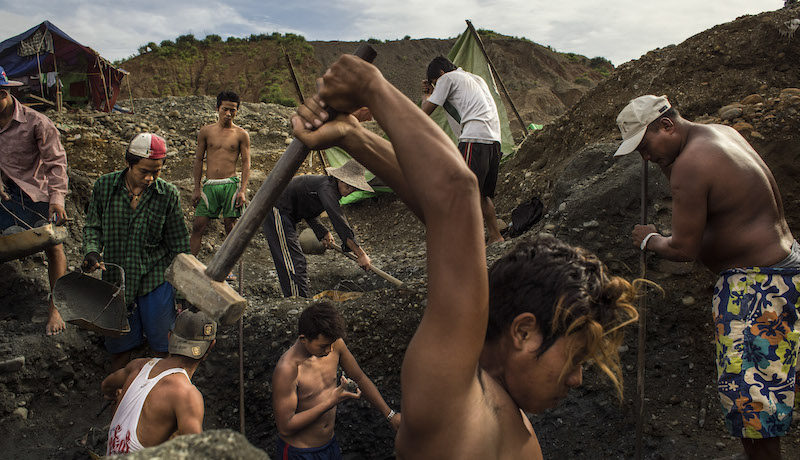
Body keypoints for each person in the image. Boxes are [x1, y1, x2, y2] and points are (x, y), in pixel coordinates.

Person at [290, 54, 638, 459]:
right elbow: (456, 195)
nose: (577, 379)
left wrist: (353, 135)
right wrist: (370, 85)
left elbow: (449, 216)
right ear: (523, 331)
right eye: (576, 357)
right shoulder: (455, 403)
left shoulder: (497, 411)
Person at [615, 95, 799, 460]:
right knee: (767, 390)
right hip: (786, 266)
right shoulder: (720, 134)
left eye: (645, 146)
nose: (646, 158)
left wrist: (650, 239)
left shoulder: (691, 165)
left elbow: (684, 248)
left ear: (666, 125)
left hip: (756, 287)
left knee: (753, 402)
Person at [83, 132, 190, 372]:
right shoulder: (105, 187)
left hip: (155, 279)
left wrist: (185, 290)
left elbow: (179, 245)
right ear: (129, 164)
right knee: (119, 349)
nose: (151, 178)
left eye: (157, 171)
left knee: (162, 348)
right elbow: (93, 226)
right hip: (116, 282)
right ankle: (119, 397)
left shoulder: (167, 195)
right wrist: (91, 252)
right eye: (144, 171)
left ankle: (155, 399)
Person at [272, 301, 400, 458]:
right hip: (299, 453)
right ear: (303, 338)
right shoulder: (288, 369)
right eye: (323, 346)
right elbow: (285, 427)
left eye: (331, 344)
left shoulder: (335, 345)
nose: (329, 350)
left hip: (330, 446)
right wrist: (330, 402)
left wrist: (390, 415)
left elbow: (359, 377)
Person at [0, 65, 68, 335]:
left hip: (35, 194)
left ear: (4, 93)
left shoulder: (37, 122)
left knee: (53, 245)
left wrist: (57, 199)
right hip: (5, 197)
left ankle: (57, 307)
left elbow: (56, 164)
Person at [103, 309, 216, 455]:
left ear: (169, 337)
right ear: (211, 345)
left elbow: (106, 385)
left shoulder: (137, 366)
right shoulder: (186, 394)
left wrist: (115, 396)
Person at [421, 56, 504, 244]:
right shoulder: (476, 79)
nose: (436, 85)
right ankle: (495, 236)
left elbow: (424, 112)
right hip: (493, 140)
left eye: (435, 82)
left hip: (474, 138)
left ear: (440, 74)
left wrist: (426, 94)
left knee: (462, 191)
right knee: (481, 194)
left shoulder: (447, 78)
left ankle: (466, 243)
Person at [262, 159, 373, 298]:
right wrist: (360, 254)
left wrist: (322, 232)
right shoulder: (327, 188)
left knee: (296, 261)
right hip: (276, 210)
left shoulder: (325, 187)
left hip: (287, 214)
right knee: (293, 261)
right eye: (348, 186)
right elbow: (339, 222)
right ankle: (297, 302)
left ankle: (298, 299)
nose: (350, 190)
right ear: (339, 179)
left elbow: (308, 211)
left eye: (354, 188)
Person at [190, 91, 251, 269]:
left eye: (233, 110)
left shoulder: (241, 134)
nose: (228, 114)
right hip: (209, 186)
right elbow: (198, 160)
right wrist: (196, 188)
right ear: (217, 108)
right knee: (198, 225)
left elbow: (246, 163)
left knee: (230, 227)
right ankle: (190, 264)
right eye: (225, 109)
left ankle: (227, 268)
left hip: (230, 185)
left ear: (237, 111)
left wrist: (242, 190)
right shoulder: (206, 132)